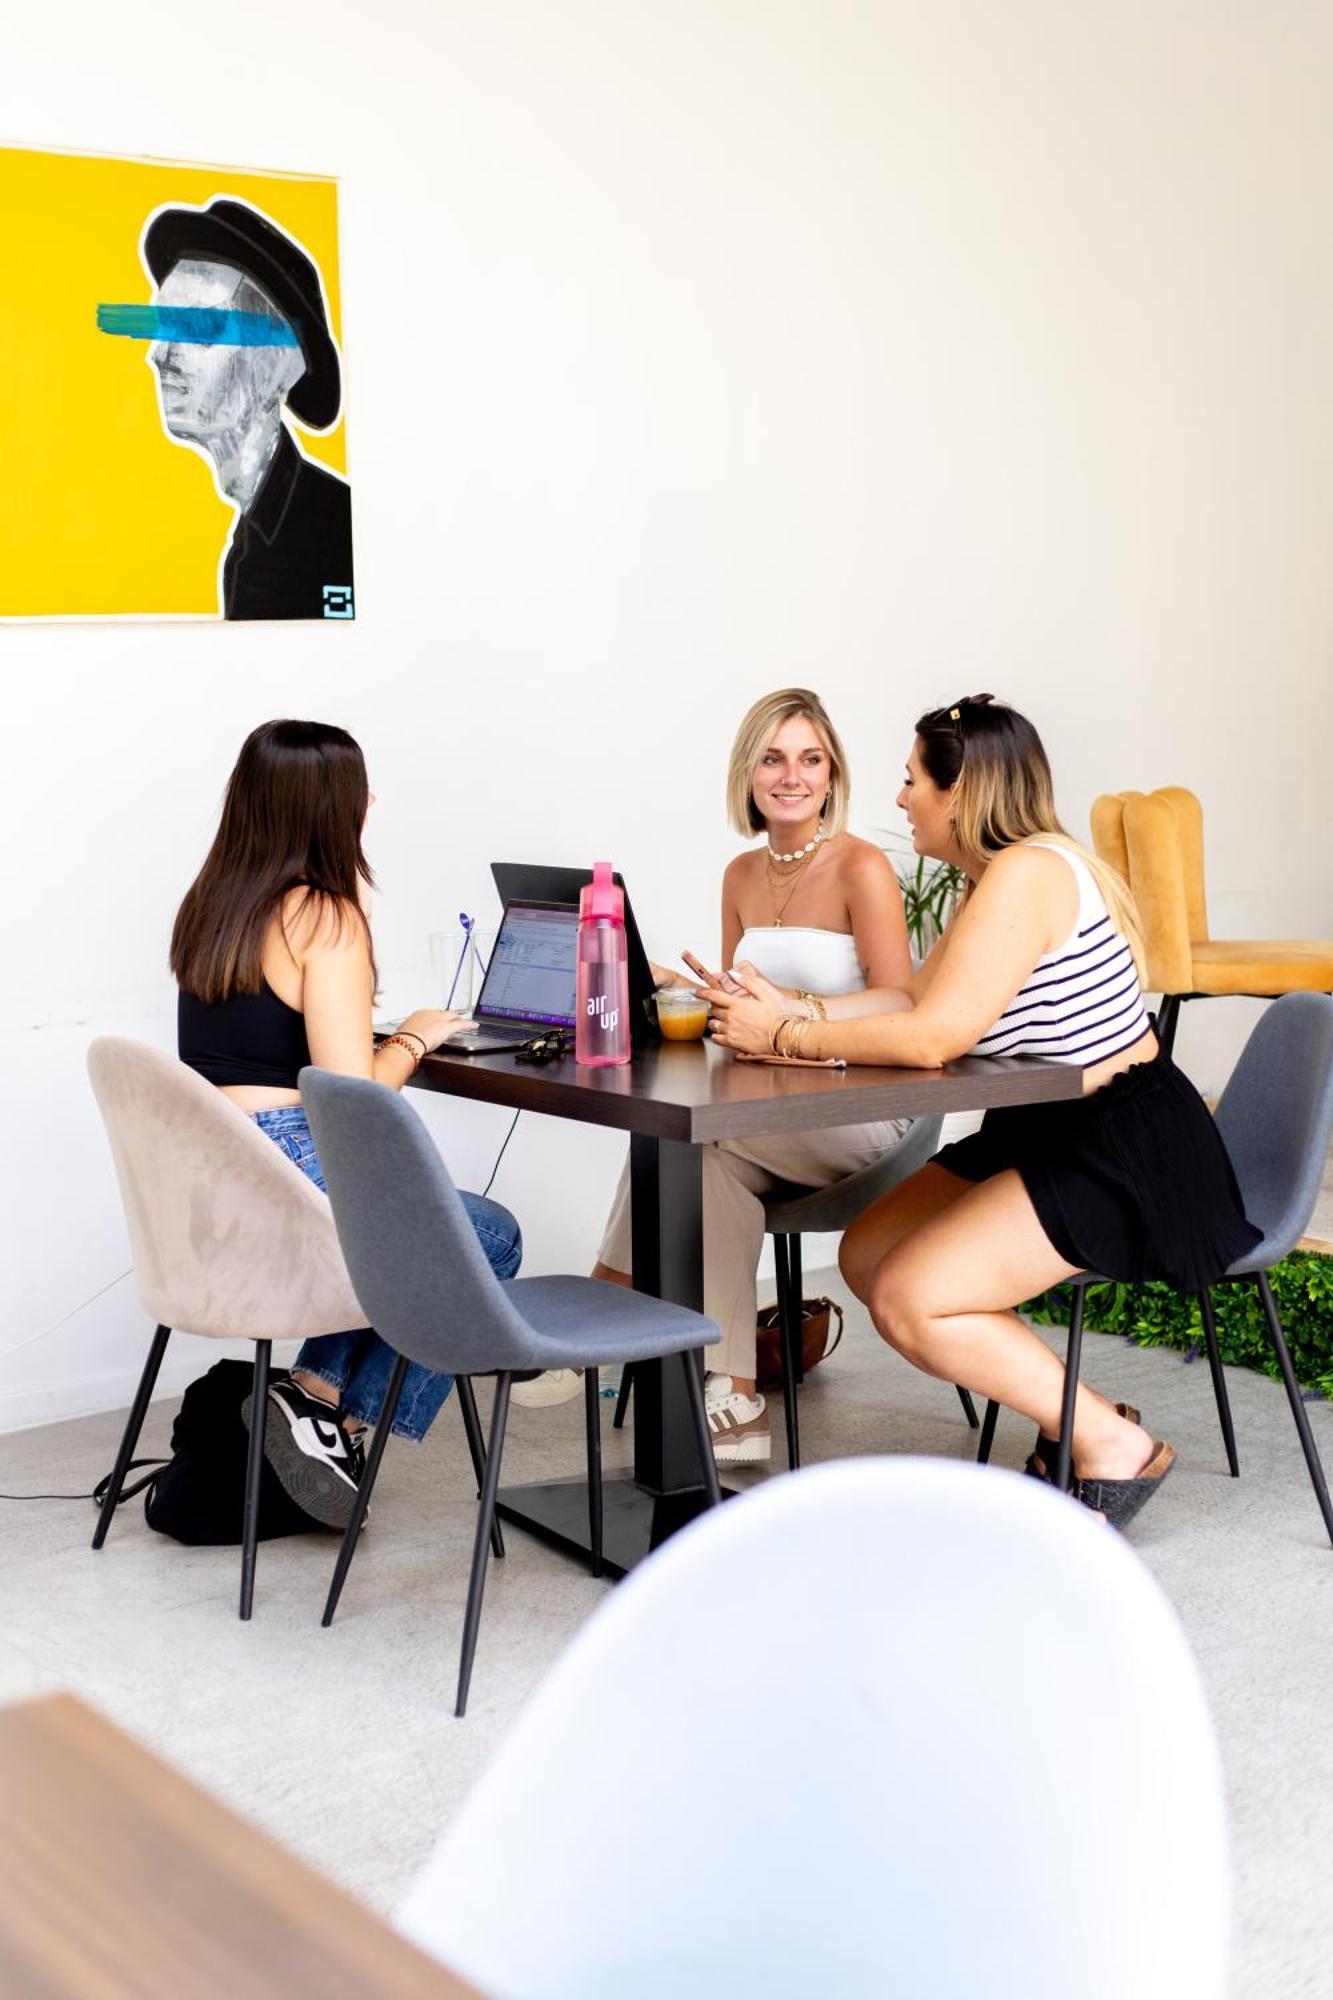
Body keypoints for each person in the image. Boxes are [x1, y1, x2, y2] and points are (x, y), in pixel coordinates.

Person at [707, 694, 1261, 1524]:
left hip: (1119, 1142)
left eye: (910, 783)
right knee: (870, 1255)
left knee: (909, 1295)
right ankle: (1088, 1416)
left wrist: (784, 1035)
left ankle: (1110, 1445)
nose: (899, 800)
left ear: (958, 794)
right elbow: (907, 994)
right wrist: (791, 1007)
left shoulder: (1030, 874)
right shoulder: (989, 882)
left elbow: (934, 1038)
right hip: (1041, 1123)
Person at [171, 718, 520, 1528]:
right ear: (332, 808)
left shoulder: (212, 905)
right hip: (294, 1159)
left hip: (223, 1165)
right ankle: (332, 1414)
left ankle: (312, 1399)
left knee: (429, 1238)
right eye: (358, 789)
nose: (372, 801)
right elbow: (352, 1097)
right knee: (488, 1237)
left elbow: (265, 1044)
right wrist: (414, 1037)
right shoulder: (324, 916)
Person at [576, 688, 919, 1464]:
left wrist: (793, 1007)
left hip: (864, 1105)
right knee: (682, 1142)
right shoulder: (739, 873)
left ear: (832, 774)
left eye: (808, 758)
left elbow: (902, 997)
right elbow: (742, 1008)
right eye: (772, 758)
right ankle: (729, 1394)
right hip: (770, 1101)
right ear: (748, 773)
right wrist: (679, 987)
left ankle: (605, 1312)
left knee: (700, 1151)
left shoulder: (861, 867)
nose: (790, 775)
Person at [122, 197, 353, 620]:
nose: (159, 355)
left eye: (197, 328)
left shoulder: (335, 536)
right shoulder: (255, 542)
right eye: (163, 328)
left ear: (276, 363)